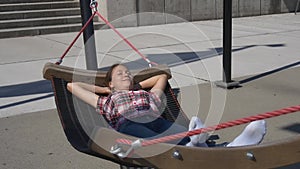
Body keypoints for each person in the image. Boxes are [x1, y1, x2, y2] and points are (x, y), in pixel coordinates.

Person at [67, 63, 266, 147]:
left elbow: (162, 76)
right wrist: (105, 90)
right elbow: (72, 85)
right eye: (120, 74)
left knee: (178, 134)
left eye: (128, 72)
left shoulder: (147, 95)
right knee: (165, 140)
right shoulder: (107, 101)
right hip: (129, 126)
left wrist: (136, 85)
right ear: (110, 83)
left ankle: (223, 146)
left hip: (156, 120)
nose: (126, 74)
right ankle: (196, 144)